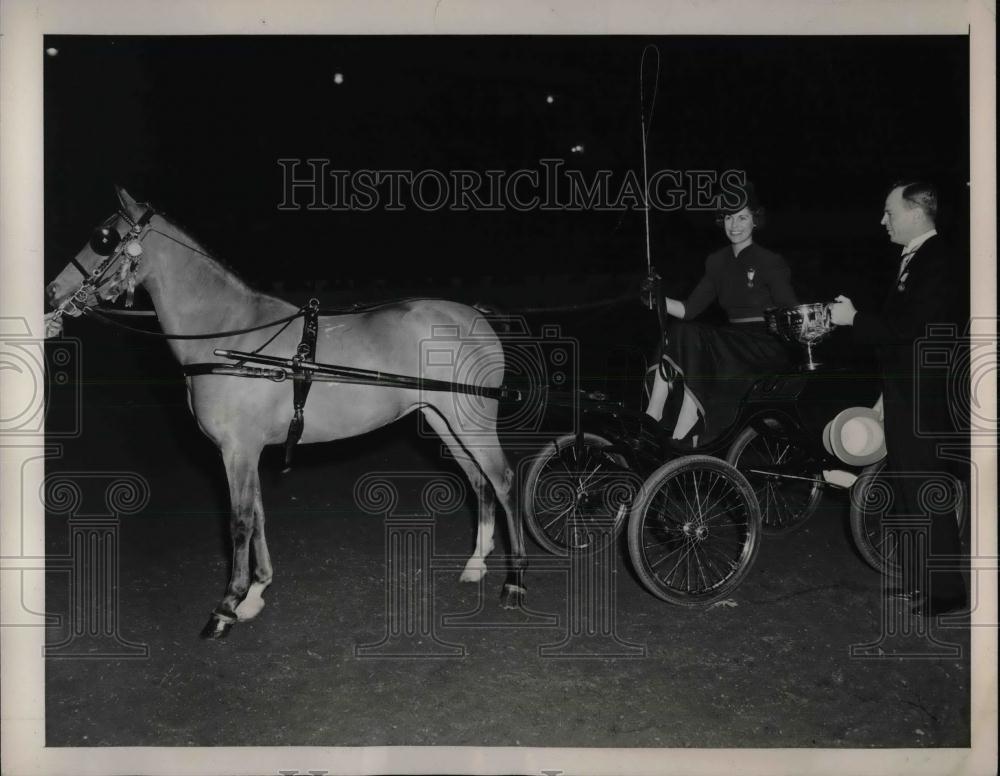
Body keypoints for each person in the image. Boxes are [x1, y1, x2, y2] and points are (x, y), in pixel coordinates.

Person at [829, 180, 966, 617]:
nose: (882, 220)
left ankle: (947, 592)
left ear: (914, 212)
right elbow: (901, 335)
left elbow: (910, 329)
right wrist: (886, 394)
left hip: (927, 398)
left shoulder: (939, 258)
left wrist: (854, 319)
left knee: (926, 489)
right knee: (907, 489)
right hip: (906, 392)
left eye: (889, 211)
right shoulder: (915, 259)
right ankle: (921, 583)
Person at [643, 185, 798, 442]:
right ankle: (653, 414)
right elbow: (688, 310)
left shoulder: (770, 261)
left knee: (693, 333)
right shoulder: (717, 262)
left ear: (755, 220)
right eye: (728, 217)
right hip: (733, 339)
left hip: (764, 342)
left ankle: (689, 419)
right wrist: (655, 298)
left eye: (741, 217)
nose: (734, 225)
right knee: (680, 330)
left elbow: (790, 309)